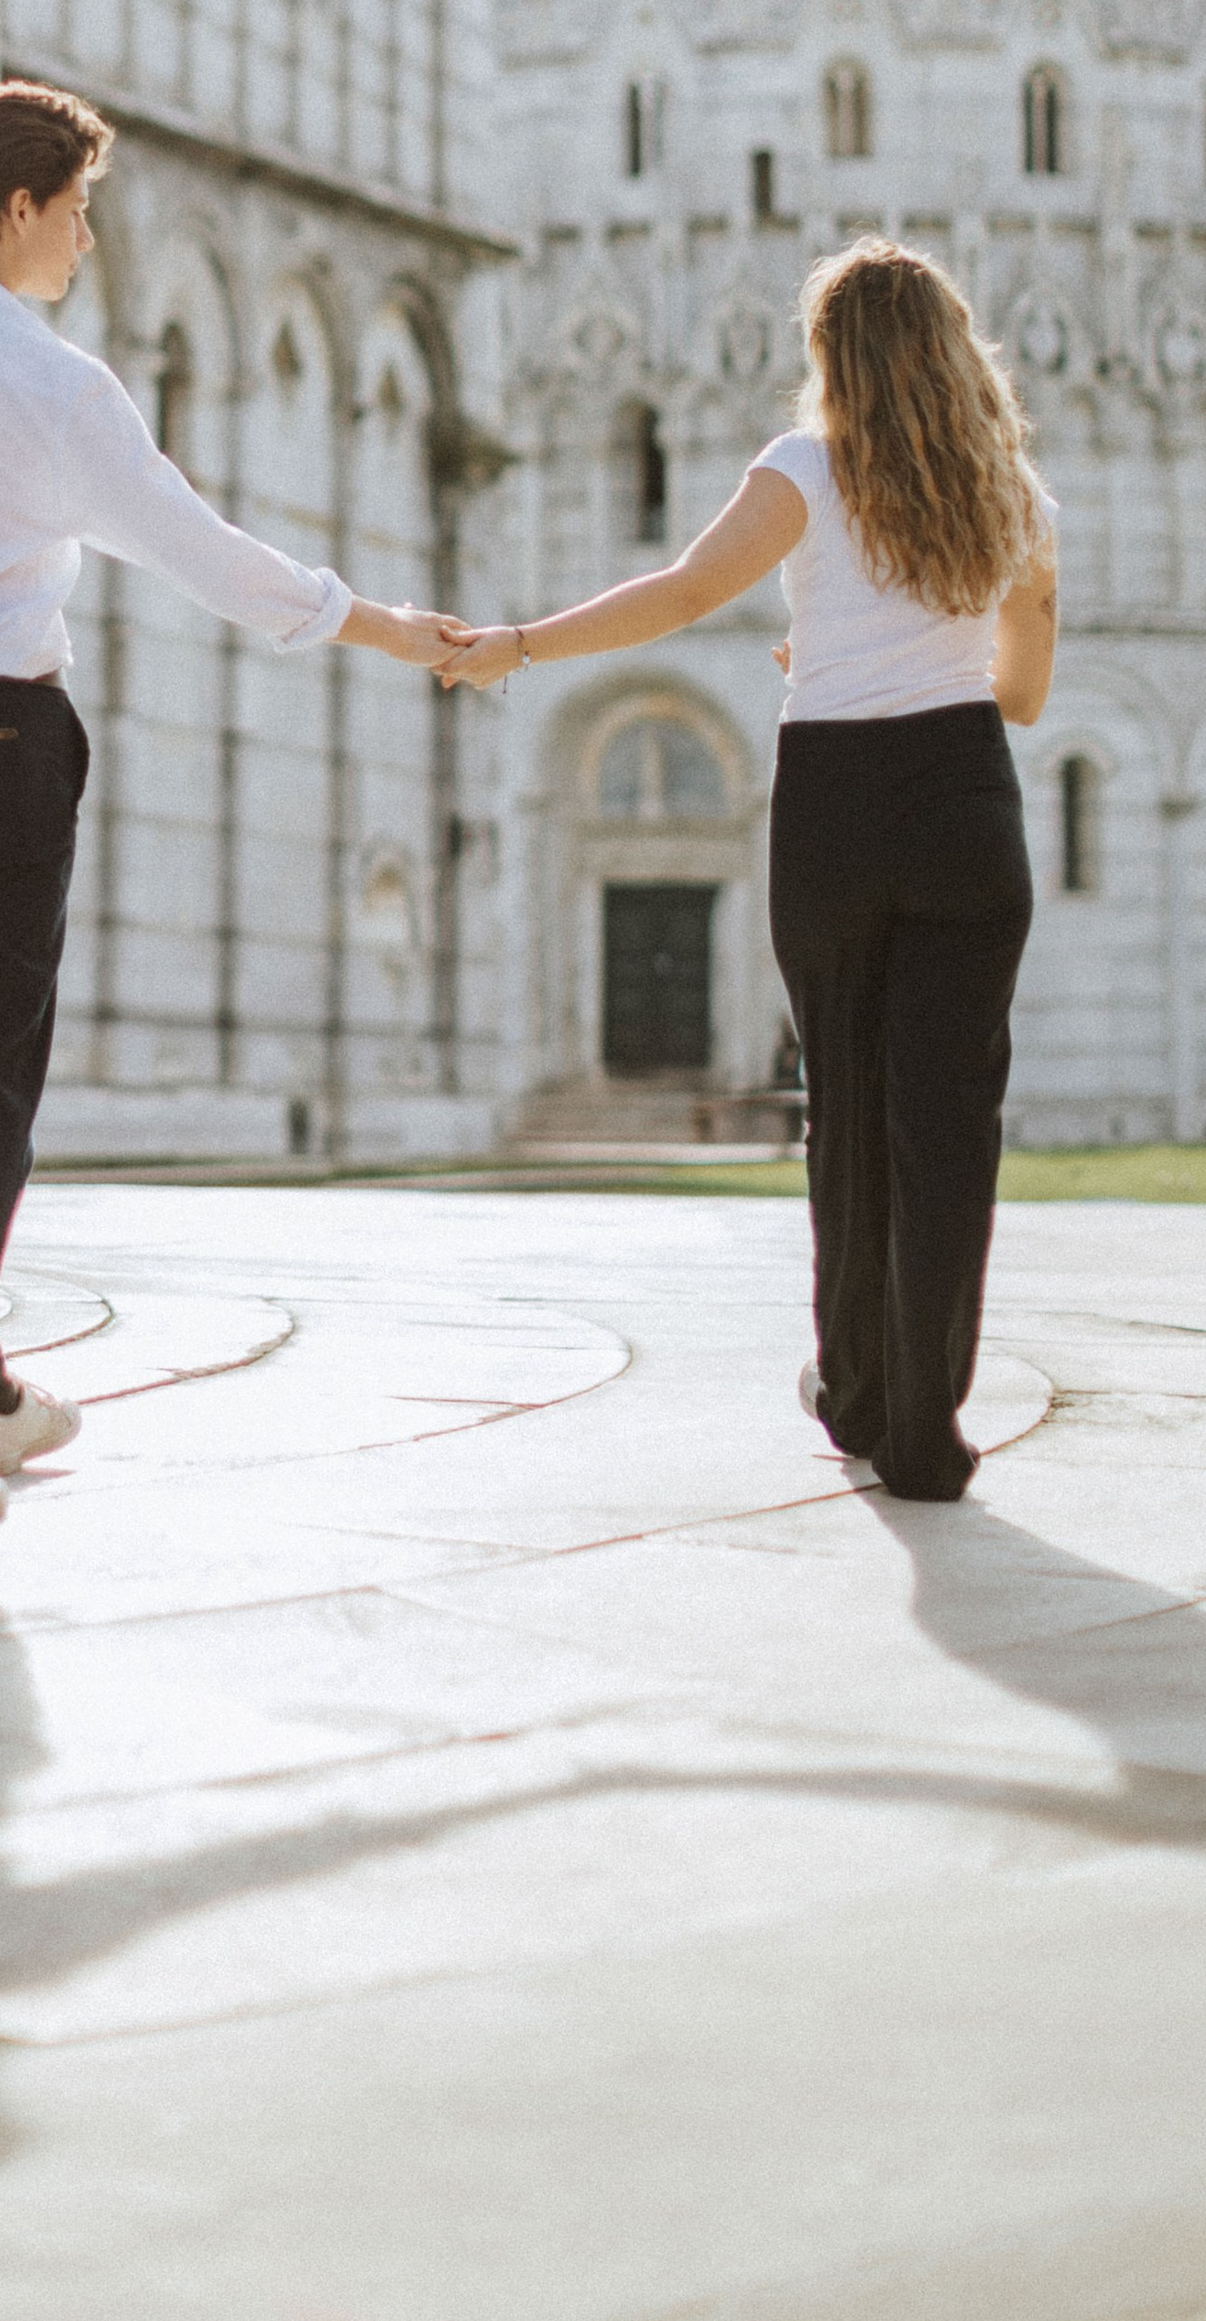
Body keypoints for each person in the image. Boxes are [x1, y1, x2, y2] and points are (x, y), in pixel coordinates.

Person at [0, 79, 462, 1523]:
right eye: (80, 212)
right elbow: (211, 558)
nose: (87, 242)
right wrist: (393, 627)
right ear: (17, 211)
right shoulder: (48, 381)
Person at [439, 238, 1056, 1500]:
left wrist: (515, 643)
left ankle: (856, 1393)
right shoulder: (1015, 496)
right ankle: (930, 1425)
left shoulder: (803, 472)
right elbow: (1024, 693)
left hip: (836, 803)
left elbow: (680, 594)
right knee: (949, 1124)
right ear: (953, 358)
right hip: (965, 801)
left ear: (833, 359)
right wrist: (893, 660)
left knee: (848, 1107)